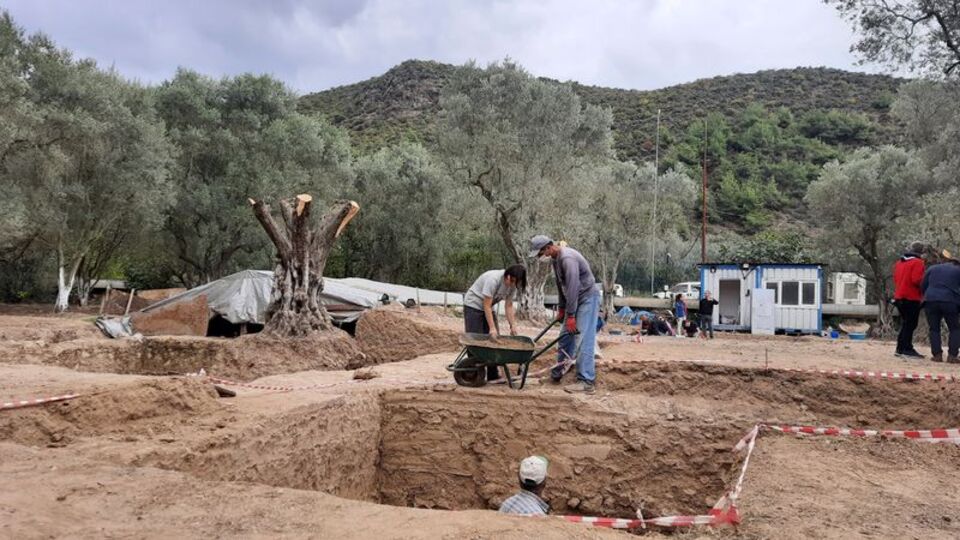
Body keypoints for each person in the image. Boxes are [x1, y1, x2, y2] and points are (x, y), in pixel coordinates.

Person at [529, 235, 600, 394]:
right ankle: (559, 371)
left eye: (541, 253)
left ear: (548, 247)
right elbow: (562, 286)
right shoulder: (556, 259)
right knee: (564, 336)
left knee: (582, 338)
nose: (541, 257)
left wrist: (571, 316)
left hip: (587, 298)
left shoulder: (567, 258)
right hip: (575, 299)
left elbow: (573, 288)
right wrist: (562, 308)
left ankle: (587, 381)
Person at [463, 265, 527, 380]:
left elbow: (509, 305)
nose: (512, 284)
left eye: (515, 282)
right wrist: (491, 328)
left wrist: (513, 325)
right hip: (473, 305)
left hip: (488, 307)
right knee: (476, 340)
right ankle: (473, 373)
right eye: (511, 281)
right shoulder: (493, 280)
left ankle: (493, 374)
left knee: (495, 340)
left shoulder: (512, 285)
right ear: (507, 276)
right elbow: (486, 305)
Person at [921, 250, 960, 363]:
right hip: (950, 301)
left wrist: (928, 295)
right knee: (954, 328)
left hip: (931, 300)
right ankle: (952, 356)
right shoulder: (958, 270)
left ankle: (937, 355)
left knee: (934, 328)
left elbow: (923, 285)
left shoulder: (932, 268)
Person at [893, 241, 927, 359]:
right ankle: (907, 349)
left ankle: (900, 348)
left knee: (906, 323)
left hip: (899, 296)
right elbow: (916, 280)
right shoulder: (918, 262)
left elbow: (896, 279)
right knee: (911, 323)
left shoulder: (899, 262)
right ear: (921, 252)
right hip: (911, 297)